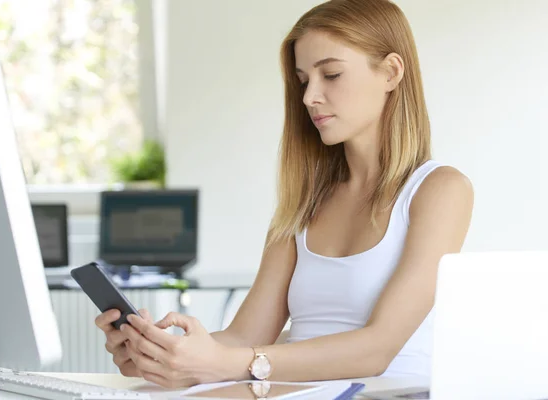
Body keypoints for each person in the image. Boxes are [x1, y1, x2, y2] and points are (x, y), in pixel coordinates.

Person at [95, 0, 474, 389]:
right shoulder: (305, 203)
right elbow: (243, 338)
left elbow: (376, 350)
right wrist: (162, 354)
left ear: (392, 72)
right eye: (303, 80)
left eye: (331, 74)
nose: (310, 96)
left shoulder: (439, 191)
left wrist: (228, 362)